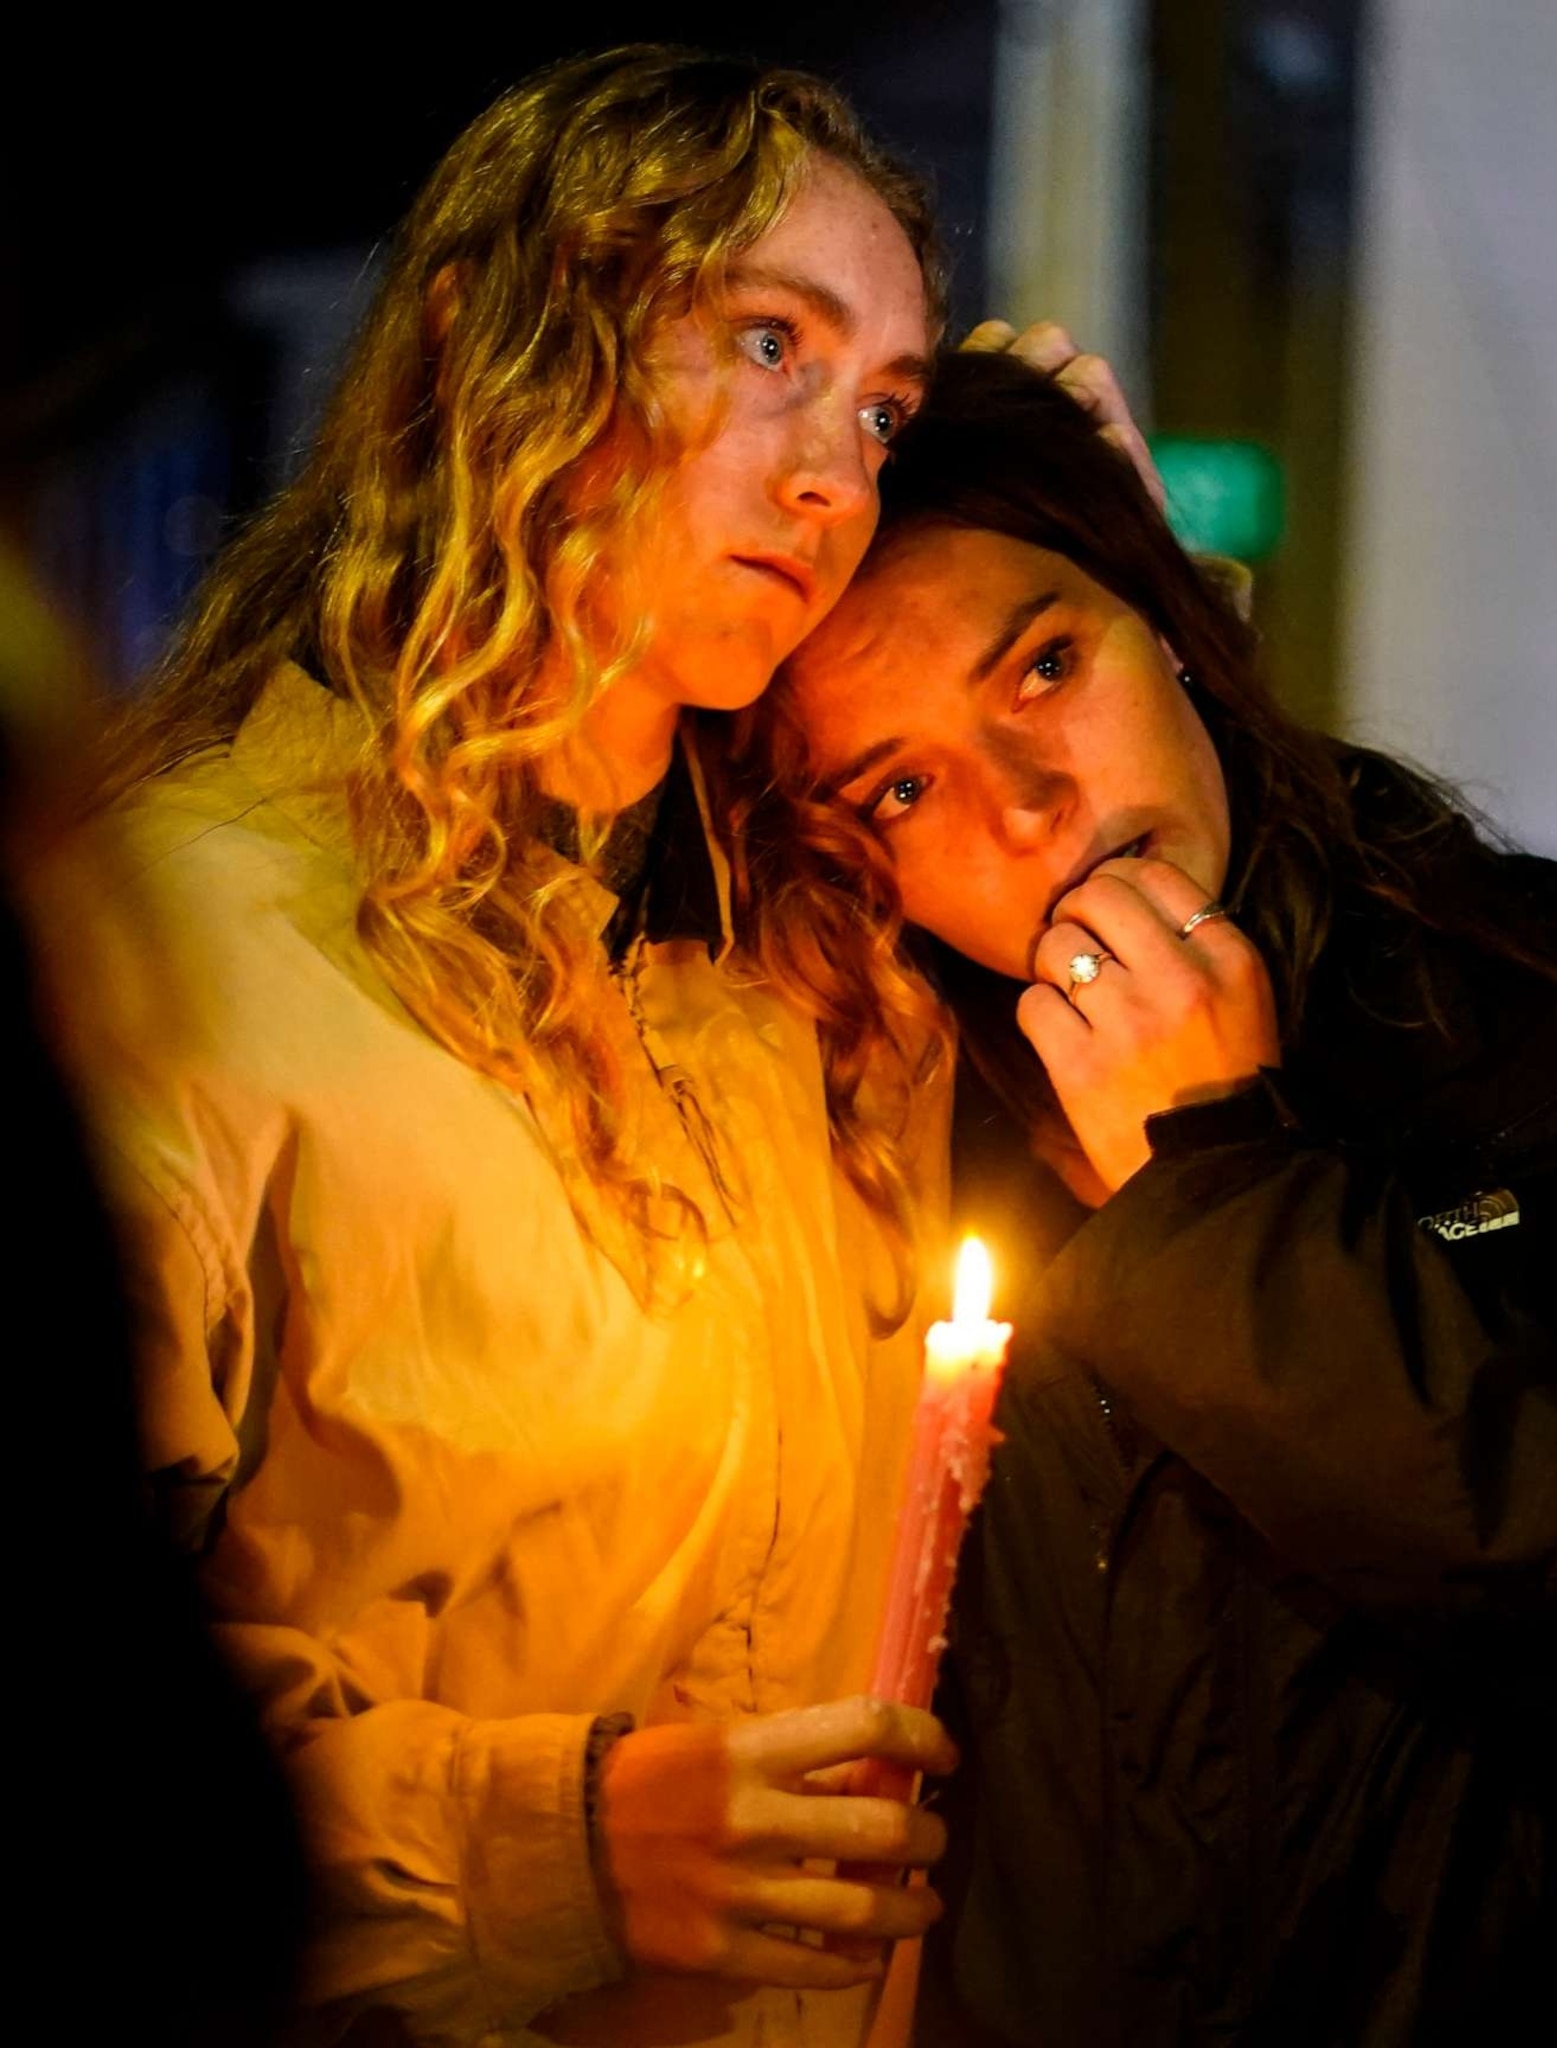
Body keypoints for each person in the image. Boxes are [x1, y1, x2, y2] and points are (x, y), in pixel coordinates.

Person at [747, 349, 1557, 2044]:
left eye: (1047, 666)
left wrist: (1217, 1187)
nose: (1026, 804)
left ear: (1176, 626)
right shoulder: (902, 1153)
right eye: (905, 789)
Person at [82, 49, 969, 2045]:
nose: (838, 474)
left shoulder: (786, 1007)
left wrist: (1080, 531)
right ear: (500, 341)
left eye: (890, 411)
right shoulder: (184, 948)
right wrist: (550, 1845)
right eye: (768, 343)